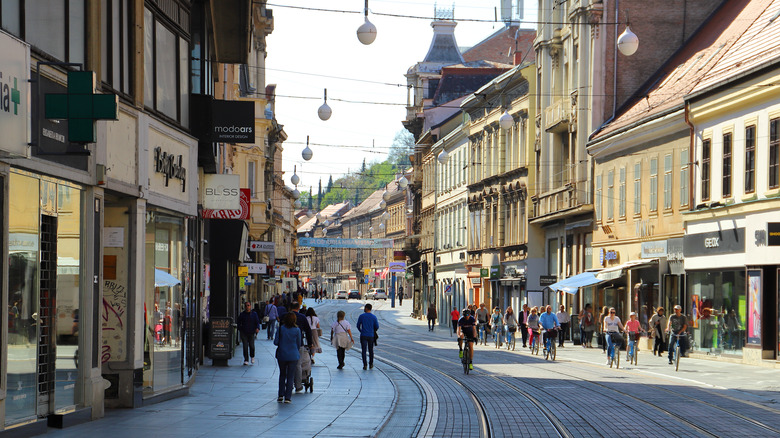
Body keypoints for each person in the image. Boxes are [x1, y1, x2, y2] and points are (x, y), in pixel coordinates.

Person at [274, 313, 301, 403]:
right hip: (293, 355)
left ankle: (280, 395)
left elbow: (276, 342)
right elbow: (299, 343)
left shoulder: (281, 329)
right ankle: (288, 397)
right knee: (290, 376)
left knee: (282, 375)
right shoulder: (297, 330)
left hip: (282, 354)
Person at [290, 302, 313, 392]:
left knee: (288, 365)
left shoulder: (285, 316)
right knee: (298, 365)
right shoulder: (302, 317)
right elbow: (308, 331)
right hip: (298, 344)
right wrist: (310, 343)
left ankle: (289, 383)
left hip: (286, 345)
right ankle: (298, 385)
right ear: (299, 308)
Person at [357, 303, 379, 370]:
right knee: (371, 350)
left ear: (366, 308)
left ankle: (365, 365)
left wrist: (361, 331)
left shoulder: (361, 316)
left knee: (364, 350)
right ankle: (371, 364)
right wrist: (372, 330)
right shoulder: (374, 317)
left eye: (364, 307)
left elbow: (358, 325)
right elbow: (377, 326)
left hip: (363, 335)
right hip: (371, 335)